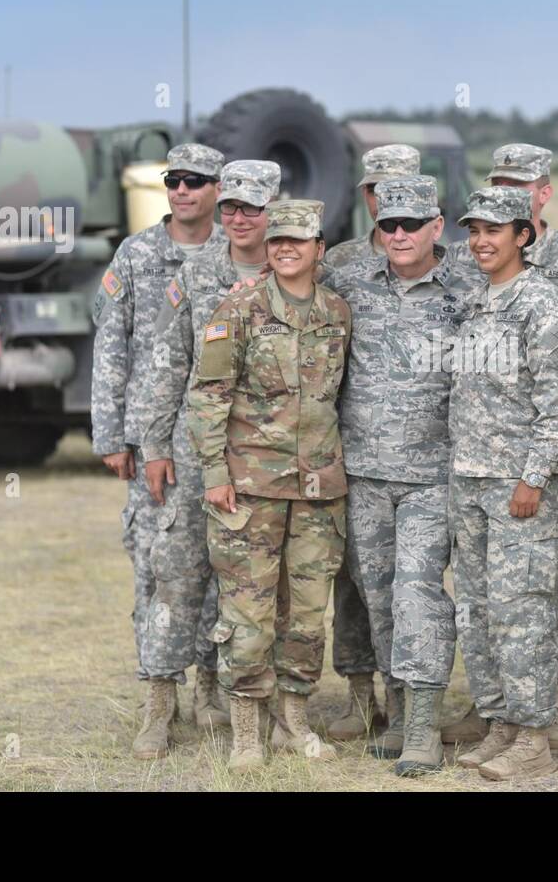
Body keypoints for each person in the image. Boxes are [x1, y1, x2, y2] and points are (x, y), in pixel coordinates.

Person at [438, 144, 558, 750]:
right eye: (474, 231)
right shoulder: (477, 303)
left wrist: (533, 477)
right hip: (472, 479)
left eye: (494, 231)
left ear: (522, 235)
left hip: (521, 486)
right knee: (478, 609)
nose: (481, 242)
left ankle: (535, 736)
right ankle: (500, 722)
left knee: (523, 611)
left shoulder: (544, 306)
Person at [186, 199, 352, 772]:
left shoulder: (337, 312)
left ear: (318, 249)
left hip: (318, 490)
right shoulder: (239, 309)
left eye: (297, 241)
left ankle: (293, 722)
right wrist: (214, 473)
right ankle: (246, 733)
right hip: (250, 488)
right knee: (248, 616)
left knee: (306, 614)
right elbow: (208, 396)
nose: (285, 249)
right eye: (277, 240)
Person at [321, 175, 475, 775]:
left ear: (438, 226)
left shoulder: (469, 286)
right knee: (379, 597)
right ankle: (398, 708)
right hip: (364, 472)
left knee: (417, 592)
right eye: (389, 224)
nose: (401, 234)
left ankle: (425, 727)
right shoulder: (350, 282)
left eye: (413, 224)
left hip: (434, 475)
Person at [90, 142, 226, 759]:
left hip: (218, 444)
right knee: (155, 572)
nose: (182, 191)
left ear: (218, 189)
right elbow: (111, 346)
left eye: (196, 181)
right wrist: (112, 436)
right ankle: (158, 701)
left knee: (221, 573)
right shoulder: (137, 254)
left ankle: (212, 691)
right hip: (152, 443)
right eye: (174, 180)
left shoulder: (233, 256)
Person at [139, 160, 282, 736]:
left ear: (273, 208)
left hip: (266, 453)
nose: (239, 219)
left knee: (248, 583)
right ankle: (159, 701)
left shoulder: (295, 270)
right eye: (231, 208)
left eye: (252, 208)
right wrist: (154, 444)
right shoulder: (197, 273)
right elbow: (166, 362)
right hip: (197, 448)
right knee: (177, 573)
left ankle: (219, 691)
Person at [320, 144, 420, 736]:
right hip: (352, 451)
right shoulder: (340, 264)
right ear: (367, 196)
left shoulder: (452, 267)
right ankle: (361, 696)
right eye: (383, 190)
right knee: (355, 583)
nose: (394, 203)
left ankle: (411, 701)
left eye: (406, 189)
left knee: (411, 588)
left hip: (423, 461)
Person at [323, 144, 421, 272]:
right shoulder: (338, 259)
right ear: (364, 193)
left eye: (393, 189)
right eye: (373, 190)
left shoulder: (437, 261)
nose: (382, 200)